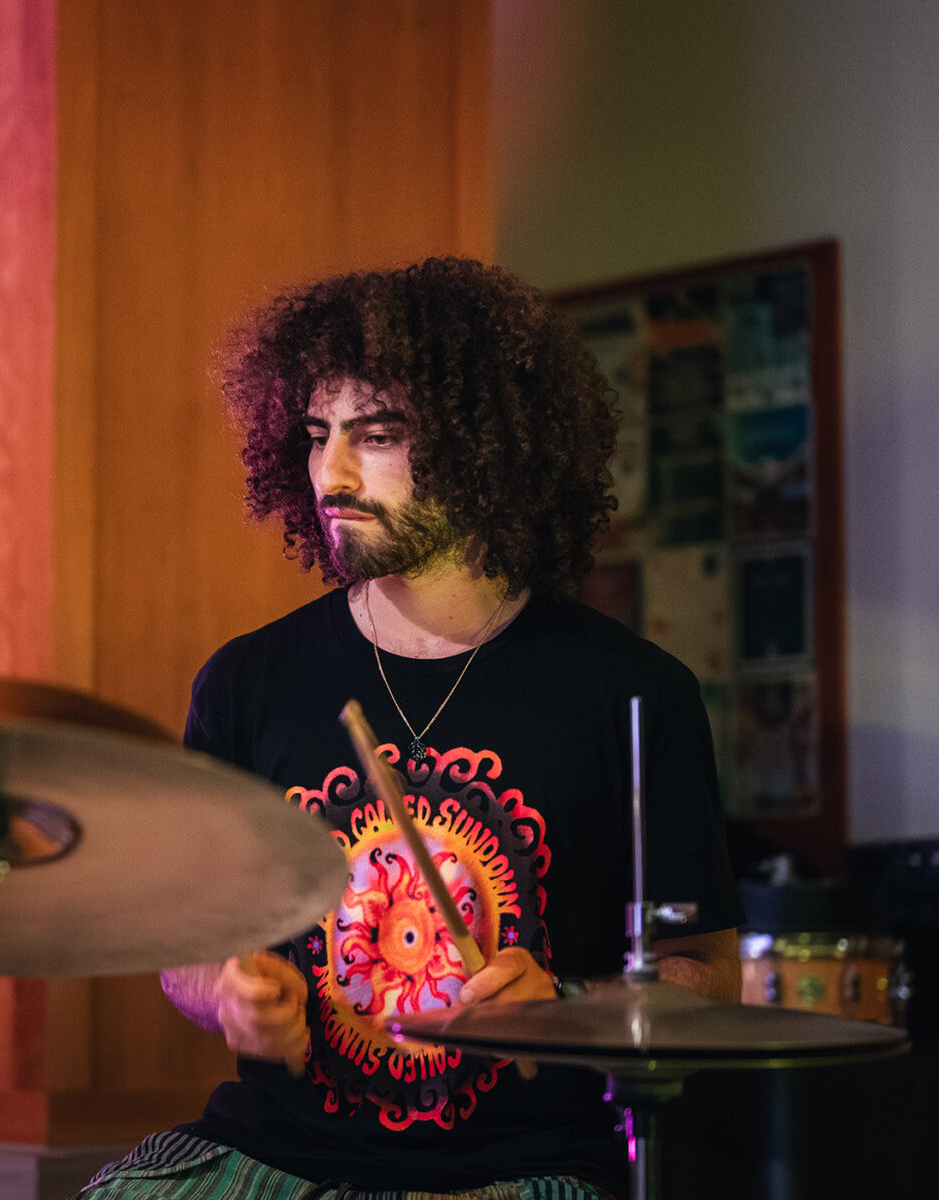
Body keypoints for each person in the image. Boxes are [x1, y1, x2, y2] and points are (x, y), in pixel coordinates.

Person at [82, 257, 744, 1200]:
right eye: (318, 436)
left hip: (523, 1168)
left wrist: (565, 1007)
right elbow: (189, 946)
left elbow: (710, 977)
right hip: (279, 1156)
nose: (332, 474)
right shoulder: (248, 682)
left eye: (378, 434)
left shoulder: (633, 692)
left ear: (486, 446)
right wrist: (223, 988)